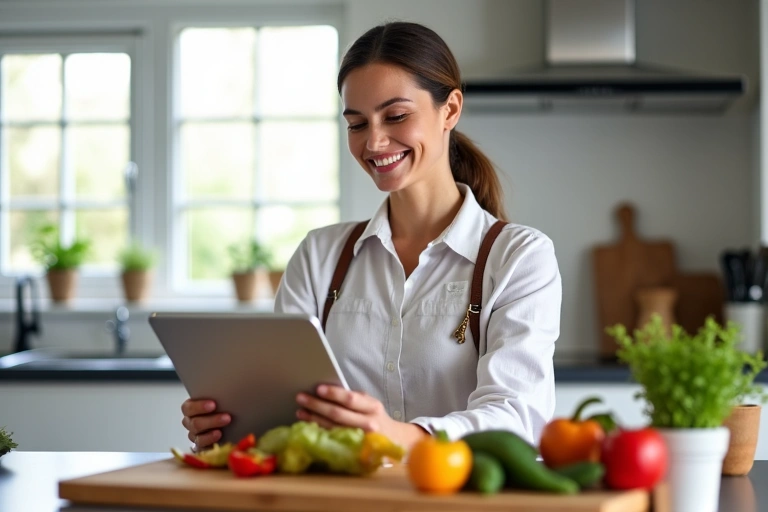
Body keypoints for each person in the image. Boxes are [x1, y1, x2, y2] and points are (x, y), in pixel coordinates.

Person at [182, 21, 561, 452]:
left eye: (396, 116)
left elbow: (518, 416)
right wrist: (233, 425)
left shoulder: (519, 257)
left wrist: (398, 436)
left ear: (450, 109)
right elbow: (287, 416)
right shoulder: (319, 256)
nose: (375, 142)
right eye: (357, 124)